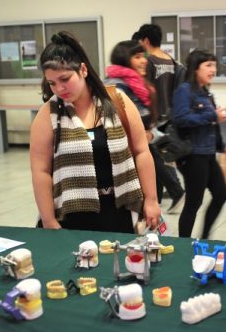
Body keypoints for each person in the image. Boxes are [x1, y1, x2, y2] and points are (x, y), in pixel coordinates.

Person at [30, 31, 160, 232]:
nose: (59, 89)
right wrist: (48, 221)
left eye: (65, 79)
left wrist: (151, 200)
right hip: (72, 216)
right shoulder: (48, 114)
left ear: (82, 70)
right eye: (52, 83)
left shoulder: (118, 102)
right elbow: (41, 171)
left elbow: (142, 151)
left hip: (119, 211)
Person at [105, 40, 183, 205]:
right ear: (123, 59)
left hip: (145, 156)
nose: (144, 61)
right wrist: (144, 134)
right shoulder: (116, 87)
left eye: (144, 56)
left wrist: (151, 132)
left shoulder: (138, 84)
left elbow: (145, 121)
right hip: (128, 164)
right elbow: (117, 127)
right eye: (137, 56)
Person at [172, 49, 226, 238]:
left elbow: (212, 124)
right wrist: (212, 115)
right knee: (193, 202)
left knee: (221, 194)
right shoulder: (184, 91)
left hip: (207, 153)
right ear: (195, 68)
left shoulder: (206, 93)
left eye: (214, 65)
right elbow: (181, 119)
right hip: (192, 155)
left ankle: (205, 237)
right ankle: (184, 243)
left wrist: (222, 146)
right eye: (208, 65)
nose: (213, 70)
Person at [137, 23, 185, 212]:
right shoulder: (171, 61)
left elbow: (145, 90)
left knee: (153, 157)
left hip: (154, 116)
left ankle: (175, 192)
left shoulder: (149, 62)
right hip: (169, 115)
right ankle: (156, 199)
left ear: (146, 40)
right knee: (156, 159)